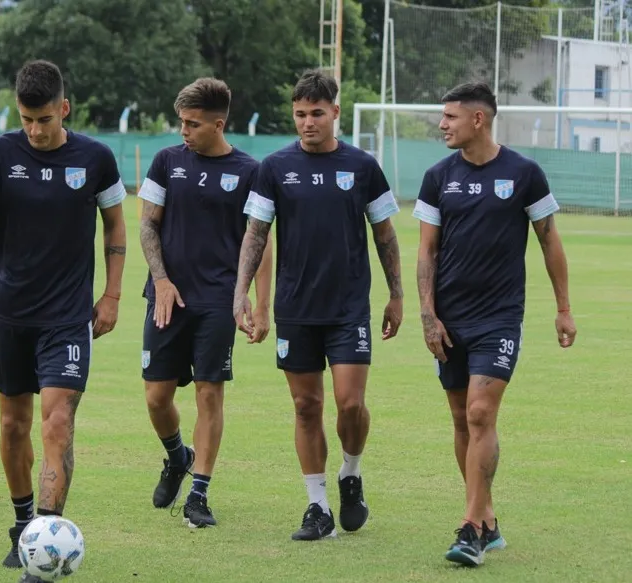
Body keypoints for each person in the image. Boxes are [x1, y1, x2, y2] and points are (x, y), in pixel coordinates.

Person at [0, 60, 126, 580]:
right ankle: (24, 523)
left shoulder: (96, 158)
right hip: (13, 316)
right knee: (12, 425)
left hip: (68, 318)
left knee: (58, 422)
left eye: (44, 119)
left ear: (63, 109)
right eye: (26, 119)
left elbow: (115, 226)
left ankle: (46, 541)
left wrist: (112, 295)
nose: (35, 130)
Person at [233, 70, 403, 541]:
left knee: (350, 405)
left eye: (317, 114)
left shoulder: (363, 167)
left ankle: (351, 472)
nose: (308, 123)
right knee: (306, 407)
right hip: (295, 308)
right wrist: (241, 290)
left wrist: (396, 294)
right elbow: (256, 234)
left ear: (335, 113)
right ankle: (317, 506)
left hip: (349, 308)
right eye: (300, 114)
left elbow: (385, 234)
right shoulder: (273, 168)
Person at [412, 81, 576, 567]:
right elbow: (427, 251)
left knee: (481, 413)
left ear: (478, 120)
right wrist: (427, 314)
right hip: (449, 319)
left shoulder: (524, 173)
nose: (442, 124)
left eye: (450, 117)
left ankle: (472, 528)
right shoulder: (437, 176)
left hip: (499, 318)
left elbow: (549, 240)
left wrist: (564, 307)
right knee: (462, 417)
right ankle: (487, 516)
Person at [138, 77, 273, 528]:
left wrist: (255, 300)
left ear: (219, 124)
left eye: (193, 124)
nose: (184, 131)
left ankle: (198, 494)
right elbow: (147, 225)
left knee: (209, 393)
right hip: (166, 297)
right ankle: (178, 456)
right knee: (157, 397)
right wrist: (160, 279)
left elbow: (261, 243)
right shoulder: (166, 162)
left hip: (218, 300)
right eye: (181, 122)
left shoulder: (251, 172)